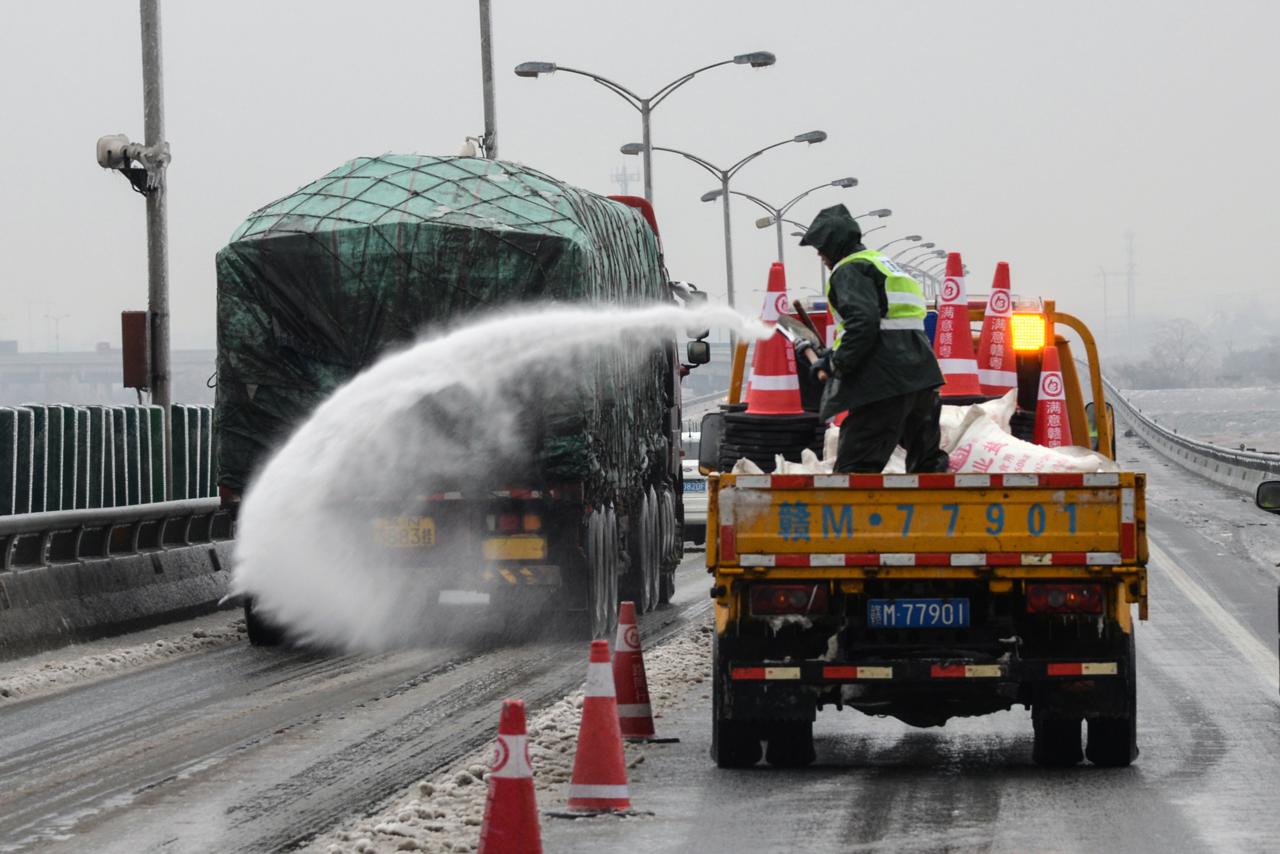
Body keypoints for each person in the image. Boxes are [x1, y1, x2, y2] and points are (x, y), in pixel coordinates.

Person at [796, 204, 950, 474]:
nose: (819, 253)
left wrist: (837, 363)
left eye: (821, 246)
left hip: (884, 381)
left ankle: (855, 516)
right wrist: (831, 356)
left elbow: (863, 323)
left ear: (834, 243)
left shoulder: (849, 270)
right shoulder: (882, 264)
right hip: (921, 376)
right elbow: (880, 325)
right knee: (927, 465)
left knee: (856, 469)